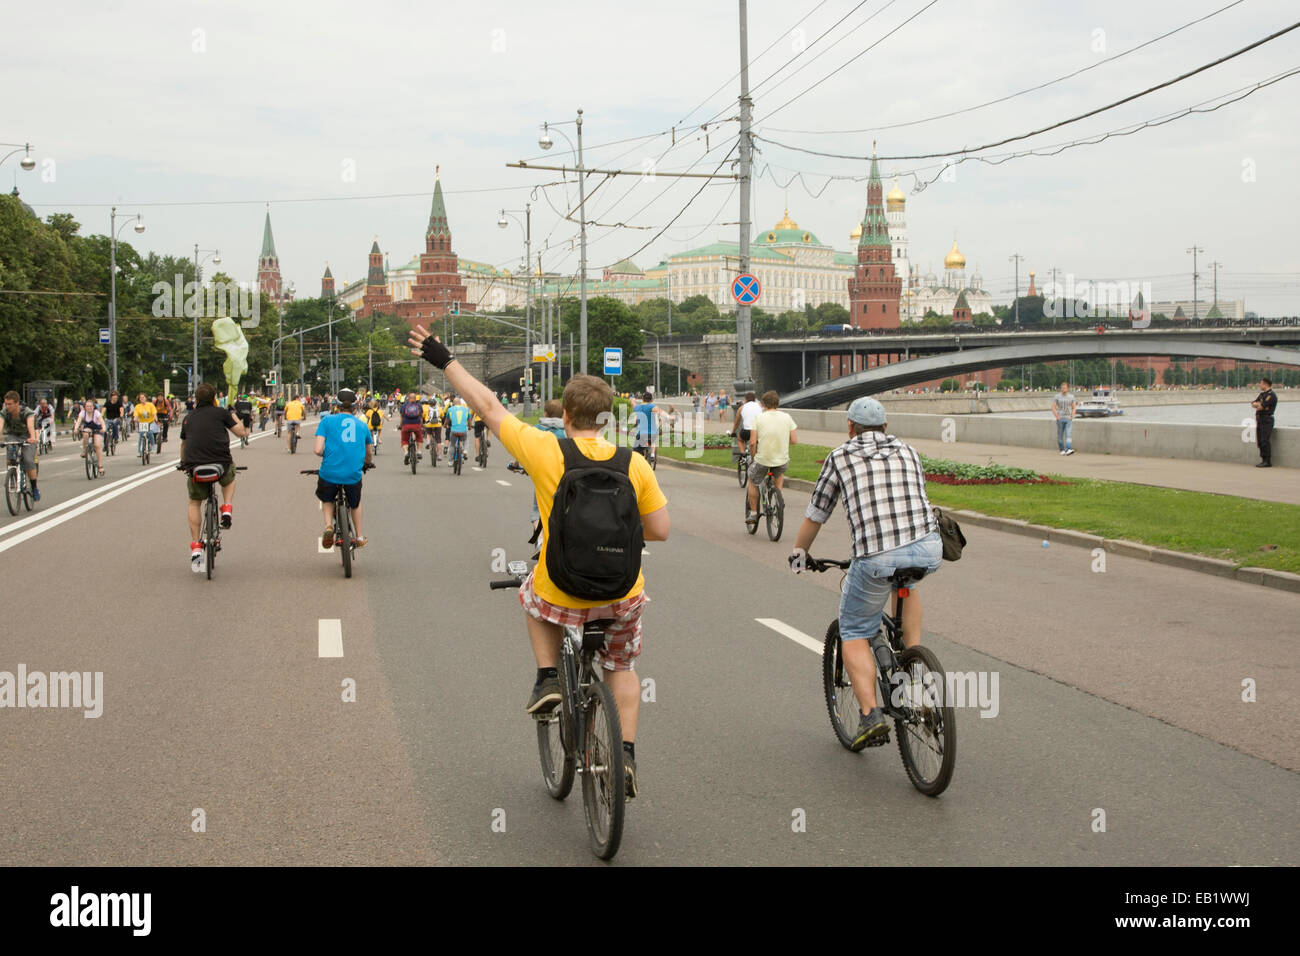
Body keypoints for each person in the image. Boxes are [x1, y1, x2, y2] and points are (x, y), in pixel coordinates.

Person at [409, 326, 669, 800]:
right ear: (607, 418)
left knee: (529, 593)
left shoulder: (546, 448)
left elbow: (488, 405)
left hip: (563, 590)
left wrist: (444, 359)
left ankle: (548, 677)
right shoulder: (635, 463)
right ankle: (625, 755)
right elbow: (661, 529)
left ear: (565, 414)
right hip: (622, 594)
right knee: (623, 668)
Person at [789, 396, 941, 751]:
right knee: (907, 584)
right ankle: (912, 660)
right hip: (927, 547)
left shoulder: (840, 456)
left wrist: (800, 554)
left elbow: (816, 514)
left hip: (876, 556)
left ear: (850, 428)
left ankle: (871, 714)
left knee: (855, 628)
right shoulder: (909, 451)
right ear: (886, 427)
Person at [179, 383, 247, 571]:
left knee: (194, 502)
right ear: (214, 398)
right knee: (230, 476)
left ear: (196, 399)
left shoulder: (189, 417)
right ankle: (226, 507)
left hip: (195, 466)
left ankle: (196, 548)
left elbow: (184, 444)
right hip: (221, 464)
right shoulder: (221, 413)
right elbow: (241, 432)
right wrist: (232, 414)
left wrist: (185, 464)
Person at [314, 388, 374, 549]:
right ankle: (359, 536)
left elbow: (318, 450)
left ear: (336, 405)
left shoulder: (326, 421)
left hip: (330, 472)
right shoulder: (362, 425)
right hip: (352, 473)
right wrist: (367, 463)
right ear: (355, 406)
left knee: (327, 498)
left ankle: (328, 526)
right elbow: (369, 452)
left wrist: (330, 456)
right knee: (355, 503)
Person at [746, 390, 799, 522]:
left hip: (762, 459)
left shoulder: (758, 418)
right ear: (778, 403)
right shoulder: (787, 417)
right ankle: (777, 498)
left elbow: (752, 443)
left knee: (752, 480)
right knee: (779, 473)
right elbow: (793, 440)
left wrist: (753, 458)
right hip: (781, 459)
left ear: (763, 404)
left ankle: (753, 514)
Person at [2, 391, 41, 501]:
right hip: (13, 435)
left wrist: (33, 438)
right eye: (6, 403)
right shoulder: (4, 412)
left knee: (28, 460)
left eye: (9, 404)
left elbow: (30, 425)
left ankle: (34, 487)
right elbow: (0, 425)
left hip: (27, 437)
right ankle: (12, 475)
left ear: (16, 403)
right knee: (10, 456)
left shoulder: (26, 412)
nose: (7, 406)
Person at [74, 399, 107, 475]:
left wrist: (104, 428)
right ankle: (84, 450)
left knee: (97, 445)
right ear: (85, 407)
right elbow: (78, 421)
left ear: (93, 407)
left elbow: (102, 422)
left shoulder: (96, 413)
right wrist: (76, 429)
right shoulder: (83, 413)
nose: (89, 408)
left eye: (90, 406)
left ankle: (100, 465)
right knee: (85, 433)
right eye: (87, 406)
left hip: (97, 429)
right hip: (88, 427)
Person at [1251, 377, 1277, 468]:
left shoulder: (1271, 395)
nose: (1259, 384)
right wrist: (1258, 405)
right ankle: (1263, 460)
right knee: (1260, 441)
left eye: (1261, 383)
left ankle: (1267, 461)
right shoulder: (1262, 395)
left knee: (1265, 440)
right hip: (1260, 419)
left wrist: (1259, 405)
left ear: (1265, 384)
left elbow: (1261, 407)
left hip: (1266, 420)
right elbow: (1253, 403)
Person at [731, 390, 762, 459]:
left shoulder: (741, 408)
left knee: (740, 439)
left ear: (745, 399)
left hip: (746, 431)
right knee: (757, 443)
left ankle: (743, 453)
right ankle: (755, 457)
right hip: (758, 431)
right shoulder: (759, 406)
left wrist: (733, 432)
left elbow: (737, 423)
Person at [398, 393, 425, 465]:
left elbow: (401, 417)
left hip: (406, 425)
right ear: (415, 398)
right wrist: (421, 425)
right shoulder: (419, 405)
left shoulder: (404, 406)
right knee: (419, 437)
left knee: (404, 440)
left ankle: (406, 452)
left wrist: (400, 426)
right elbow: (421, 417)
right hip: (416, 425)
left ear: (408, 398)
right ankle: (419, 452)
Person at [444, 397, 471, 465]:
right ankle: (465, 450)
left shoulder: (450, 409)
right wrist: (469, 427)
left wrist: (445, 426)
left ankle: (450, 461)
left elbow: (447, 420)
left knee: (452, 445)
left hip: (454, 431)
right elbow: (469, 420)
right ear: (460, 403)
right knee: (465, 440)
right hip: (463, 430)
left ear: (453, 403)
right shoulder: (466, 409)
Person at [1052, 382, 1076, 455]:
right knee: (1060, 435)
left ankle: (1068, 449)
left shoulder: (1071, 397)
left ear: (1068, 388)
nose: (1063, 389)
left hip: (1068, 419)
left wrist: (1072, 416)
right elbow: (1053, 407)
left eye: (1065, 388)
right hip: (1060, 419)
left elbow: (1074, 407)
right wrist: (1057, 416)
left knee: (1068, 434)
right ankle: (1061, 450)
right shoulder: (1057, 396)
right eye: (1062, 388)